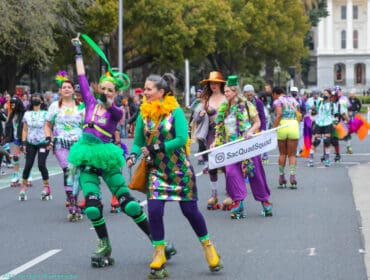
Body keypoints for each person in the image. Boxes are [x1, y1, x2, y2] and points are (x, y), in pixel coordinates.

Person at [69, 35, 175, 267]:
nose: (106, 92)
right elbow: (81, 76)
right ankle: (104, 244)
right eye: (103, 88)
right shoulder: (88, 101)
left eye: (110, 90)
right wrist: (78, 50)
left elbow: (109, 107)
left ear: (116, 93)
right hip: (85, 155)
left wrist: (106, 100)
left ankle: (158, 243)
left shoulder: (116, 110)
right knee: (93, 208)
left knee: (130, 205)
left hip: (105, 156)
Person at [127, 73, 223, 278]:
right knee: (154, 211)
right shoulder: (143, 114)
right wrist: (133, 155)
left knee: (190, 211)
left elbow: (181, 139)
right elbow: (137, 141)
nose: (145, 92)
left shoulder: (175, 112)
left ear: (161, 92)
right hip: (156, 171)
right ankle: (159, 252)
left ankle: (208, 247)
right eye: (144, 89)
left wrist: (155, 147)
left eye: (148, 89)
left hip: (179, 170)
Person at [215, 76, 272, 218]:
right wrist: (216, 141)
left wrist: (251, 131)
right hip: (230, 147)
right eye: (225, 91)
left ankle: (265, 201)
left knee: (255, 173)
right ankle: (238, 202)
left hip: (248, 145)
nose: (225, 94)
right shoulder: (223, 108)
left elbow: (257, 122)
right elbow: (220, 129)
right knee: (231, 173)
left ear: (235, 92)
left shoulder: (247, 105)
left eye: (227, 91)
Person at [45, 74, 85, 221]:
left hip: (78, 144)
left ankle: (74, 198)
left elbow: (87, 125)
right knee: (68, 170)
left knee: (76, 173)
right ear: (60, 91)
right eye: (64, 87)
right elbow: (48, 124)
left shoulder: (81, 106)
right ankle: (73, 205)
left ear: (73, 90)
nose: (67, 89)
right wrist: (48, 139)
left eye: (69, 87)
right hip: (61, 143)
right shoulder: (55, 106)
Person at [198, 71, 227, 210]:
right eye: (211, 83)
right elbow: (196, 119)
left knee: (228, 164)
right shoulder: (205, 99)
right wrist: (201, 113)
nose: (213, 85)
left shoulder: (227, 97)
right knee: (212, 165)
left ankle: (231, 192)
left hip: (225, 134)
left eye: (216, 83)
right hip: (210, 133)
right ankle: (214, 194)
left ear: (221, 84)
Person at [18, 93, 50, 201]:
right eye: (33, 98)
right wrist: (23, 143)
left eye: (38, 98)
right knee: (28, 165)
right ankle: (23, 187)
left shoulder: (46, 114)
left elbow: (50, 128)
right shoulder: (27, 114)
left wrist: (50, 141)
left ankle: (46, 187)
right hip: (30, 143)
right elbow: (25, 129)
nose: (35, 99)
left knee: (41, 165)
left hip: (43, 142)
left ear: (41, 101)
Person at [272, 86, 300, 189]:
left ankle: (281, 177)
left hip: (282, 125)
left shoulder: (277, 101)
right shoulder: (293, 99)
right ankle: (292, 176)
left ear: (275, 93)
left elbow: (279, 114)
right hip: (293, 125)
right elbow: (298, 113)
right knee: (292, 155)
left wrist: (274, 128)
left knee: (282, 153)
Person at [307, 89, 337, 167]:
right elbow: (313, 111)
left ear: (330, 95)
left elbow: (336, 115)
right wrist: (313, 109)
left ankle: (327, 160)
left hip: (328, 123)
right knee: (315, 142)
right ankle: (310, 160)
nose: (324, 95)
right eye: (323, 94)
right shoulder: (319, 102)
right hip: (319, 123)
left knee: (327, 142)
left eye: (326, 94)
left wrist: (335, 123)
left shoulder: (332, 105)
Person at [243, 84, 268, 163]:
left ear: (253, 93)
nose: (249, 96)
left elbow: (262, 116)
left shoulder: (258, 102)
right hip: (244, 128)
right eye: (247, 94)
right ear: (244, 94)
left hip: (255, 127)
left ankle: (256, 164)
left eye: (251, 94)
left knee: (255, 149)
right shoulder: (241, 102)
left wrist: (263, 129)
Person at [5, 96, 26, 187]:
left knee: (27, 157)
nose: (12, 105)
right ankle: (16, 175)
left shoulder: (25, 113)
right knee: (15, 157)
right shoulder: (12, 114)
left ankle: (27, 175)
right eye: (11, 104)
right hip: (16, 139)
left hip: (25, 139)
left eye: (13, 104)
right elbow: (8, 125)